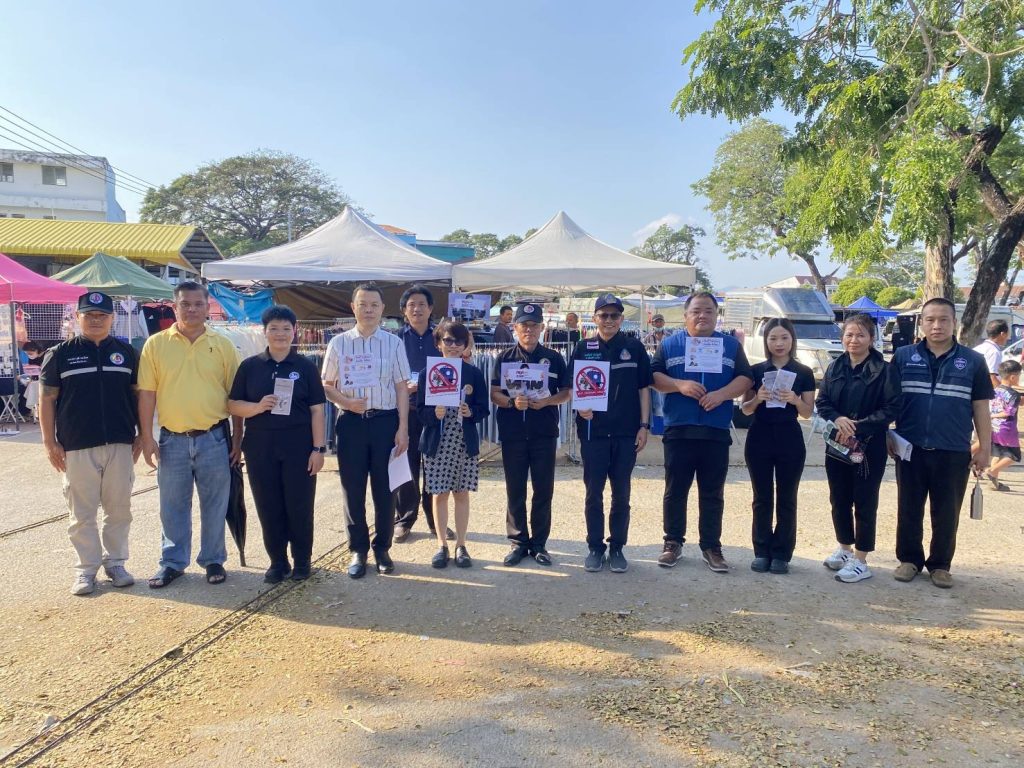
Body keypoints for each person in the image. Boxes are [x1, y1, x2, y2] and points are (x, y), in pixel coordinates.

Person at [138, 281, 242, 588]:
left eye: (198, 304)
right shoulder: (156, 344)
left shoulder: (222, 345)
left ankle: (213, 559)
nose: (192, 309)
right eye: (185, 304)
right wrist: (146, 437)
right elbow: (147, 393)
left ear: (208, 307)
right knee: (172, 504)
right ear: (175, 307)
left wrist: (238, 438)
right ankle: (172, 562)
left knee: (215, 503)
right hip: (172, 440)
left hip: (214, 438)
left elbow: (236, 396)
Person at [39, 292, 141, 596]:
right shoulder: (59, 354)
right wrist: (49, 442)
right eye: (89, 315)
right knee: (81, 513)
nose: (96, 320)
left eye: (102, 315)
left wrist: (142, 435)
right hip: (77, 445)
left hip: (120, 443)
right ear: (77, 317)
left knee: (119, 509)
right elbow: (47, 399)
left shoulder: (127, 353)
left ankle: (116, 563)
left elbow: (138, 396)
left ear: (112, 318)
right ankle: (86, 569)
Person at [891, 297, 993, 589]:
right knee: (909, 507)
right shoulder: (903, 357)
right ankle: (909, 560)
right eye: (930, 319)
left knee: (947, 511)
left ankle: (940, 565)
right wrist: (887, 433)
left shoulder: (973, 361)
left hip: (953, 450)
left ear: (954, 323)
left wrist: (985, 448)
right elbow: (889, 400)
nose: (937, 325)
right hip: (910, 448)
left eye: (943, 319)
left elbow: (981, 407)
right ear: (921, 323)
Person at [652, 292, 753, 572]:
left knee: (712, 492)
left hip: (715, 430)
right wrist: (679, 385)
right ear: (685, 315)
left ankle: (711, 546)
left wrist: (722, 395)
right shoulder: (670, 344)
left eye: (708, 311)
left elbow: (746, 378)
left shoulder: (731, 345)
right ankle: (672, 542)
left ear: (716, 315)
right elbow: (654, 377)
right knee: (675, 491)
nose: (702, 316)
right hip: (679, 429)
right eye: (696, 311)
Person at [228, 305, 327, 583]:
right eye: (274, 328)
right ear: (265, 331)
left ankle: (302, 561)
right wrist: (257, 407)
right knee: (268, 504)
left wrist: (318, 449)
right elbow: (233, 404)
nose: (280, 334)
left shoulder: (306, 367)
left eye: (286, 328)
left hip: (299, 446)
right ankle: (277, 561)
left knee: (299, 504)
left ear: (294, 331)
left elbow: (317, 411)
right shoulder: (250, 366)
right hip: (260, 446)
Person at [322, 283, 411, 579]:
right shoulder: (339, 343)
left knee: (385, 489)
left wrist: (402, 428)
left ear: (383, 309)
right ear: (353, 307)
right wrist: (346, 402)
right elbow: (326, 385)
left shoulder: (393, 343)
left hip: (385, 422)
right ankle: (358, 549)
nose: (369, 310)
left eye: (374, 304)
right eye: (363, 304)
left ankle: (382, 547)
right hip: (351, 423)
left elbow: (401, 387)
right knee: (353, 488)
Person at [567, 294, 651, 573]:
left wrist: (644, 426)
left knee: (621, 493)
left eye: (614, 315)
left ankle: (617, 547)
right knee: (594, 493)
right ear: (595, 318)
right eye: (604, 315)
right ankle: (595, 547)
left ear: (622, 318)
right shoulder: (583, 347)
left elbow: (644, 389)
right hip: (594, 432)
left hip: (626, 432)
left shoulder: (634, 347)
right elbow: (572, 387)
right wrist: (580, 408)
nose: (609, 320)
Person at [815, 313, 901, 583]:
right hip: (837, 443)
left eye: (861, 335)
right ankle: (844, 548)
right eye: (849, 334)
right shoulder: (835, 367)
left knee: (864, 500)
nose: (854, 340)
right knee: (838, 498)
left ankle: (861, 559)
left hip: (869, 445)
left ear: (872, 339)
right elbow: (823, 401)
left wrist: (859, 426)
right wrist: (838, 418)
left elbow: (892, 407)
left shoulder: (884, 370)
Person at [490, 303, 569, 566]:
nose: (529, 330)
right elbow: (494, 393)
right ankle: (518, 542)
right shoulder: (504, 358)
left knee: (543, 490)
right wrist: (511, 403)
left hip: (544, 432)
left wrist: (547, 401)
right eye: (524, 325)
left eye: (534, 325)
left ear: (542, 328)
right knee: (515, 490)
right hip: (513, 433)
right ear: (515, 327)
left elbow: (566, 392)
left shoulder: (554, 358)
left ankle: (539, 544)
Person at [738, 318, 815, 575]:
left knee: (787, 497)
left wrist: (794, 400)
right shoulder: (756, 370)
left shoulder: (803, 372)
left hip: (789, 437)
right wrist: (757, 399)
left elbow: (807, 412)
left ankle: (781, 553)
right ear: (765, 341)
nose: (778, 343)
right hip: (759, 436)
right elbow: (745, 410)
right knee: (761, 497)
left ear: (792, 340)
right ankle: (761, 551)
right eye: (773, 338)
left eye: (784, 338)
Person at [416, 321, 490, 568]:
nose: (454, 345)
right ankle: (441, 544)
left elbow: (484, 408)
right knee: (439, 494)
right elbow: (420, 410)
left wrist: (471, 412)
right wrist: (433, 414)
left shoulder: (473, 373)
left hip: (463, 440)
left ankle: (461, 544)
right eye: (448, 340)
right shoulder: (427, 373)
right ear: (438, 343)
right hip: (437, 441)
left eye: (459, 341)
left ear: (466, 345)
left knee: (461, 493)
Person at [394, 285, 452, 543]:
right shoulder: (395, 340)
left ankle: (435, 521)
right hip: (404, 412)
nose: (416, 309)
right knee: (405, 465)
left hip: (435, 411)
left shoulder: (442, 338)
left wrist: (425, 384)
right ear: (404, 311)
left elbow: (451, 370)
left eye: (421, 304)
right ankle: (404, 519)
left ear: (430, 309)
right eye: (411, 305)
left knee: (434, 466)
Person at [982, 359, 1021, 491]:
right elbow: (1008, 413)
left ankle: (994, 482)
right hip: (1007, 428)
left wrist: (991, 417)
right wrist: (993, 416)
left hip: (994, 427)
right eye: (1019, 375)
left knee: (998, 453)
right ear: (1013, 377)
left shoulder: (995, 390)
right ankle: (992, 471)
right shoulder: (1013, 395)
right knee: (1014, 456)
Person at [972, 319, 1009, 388]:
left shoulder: (978, 348)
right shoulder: (994, 352)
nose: (1007, 337)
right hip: (983, 390)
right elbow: (992, 378)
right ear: (1002, 334)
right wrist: (1002, 392)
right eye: (1007, 334)